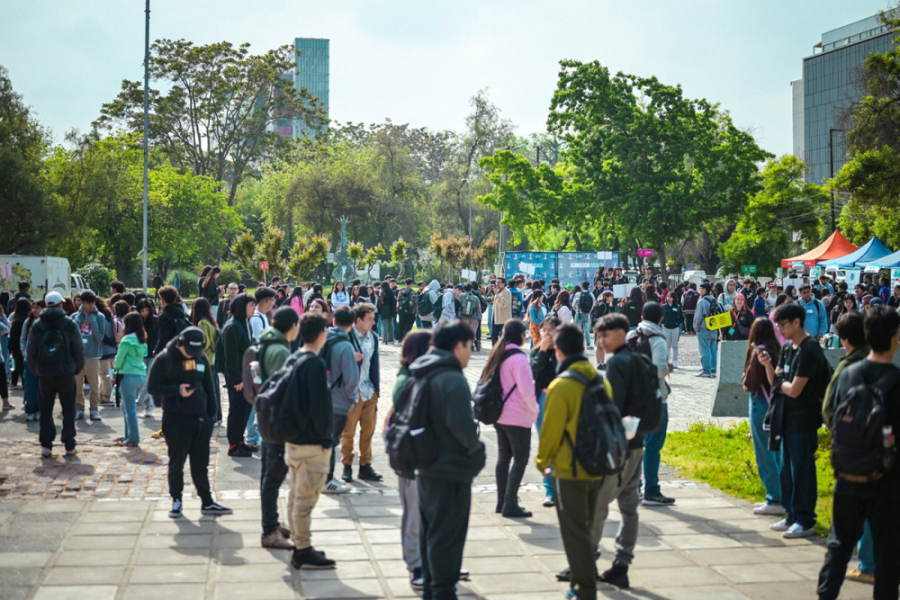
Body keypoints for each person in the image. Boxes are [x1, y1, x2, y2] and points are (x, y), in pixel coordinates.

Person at [816, 305, 900, 599]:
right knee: (888, 556)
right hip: (886, 481)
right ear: (895, 338)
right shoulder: (896, 381)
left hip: (847, 474)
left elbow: (832, 414)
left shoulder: (849, 374)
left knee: (838, 547)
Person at [536, 323, 610, 600]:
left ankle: (583, 589)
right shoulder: (600, 379)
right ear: (583, 349)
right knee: (587, 529)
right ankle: (584, 582)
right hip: (599, 465)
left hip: (569, 469)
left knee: (574, 534)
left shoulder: (561, 385)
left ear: (557, 351)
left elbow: (550, 433)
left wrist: (542, 462)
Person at [412, 320, 484, 600]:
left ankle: (433, 587)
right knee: (448, 535)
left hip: (427, 465)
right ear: (458, 346)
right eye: (470, 345)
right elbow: (462, 426)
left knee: (431, 531)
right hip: (450, 468)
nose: (471, 351)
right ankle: (443, 590)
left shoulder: (426, 371)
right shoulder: (451, 378)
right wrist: (478, 453)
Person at [758, 302, 829, 539]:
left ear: (797, 322)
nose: (780, 329)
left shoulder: (810, 350)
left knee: (802, 470)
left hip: (804, 418)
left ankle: (805, 519)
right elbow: (775, 381)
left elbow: (795, 389)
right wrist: (768, 365)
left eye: (783, 324)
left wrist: (780, 383)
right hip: (785, 417)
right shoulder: (788, 349)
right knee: (786, 468)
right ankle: (791, 515)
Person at [147, 326, 232, 518]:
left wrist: (212, 417)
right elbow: (152, 387)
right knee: (176, 463)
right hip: (175, 420)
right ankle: (176, 500)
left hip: (201, 420)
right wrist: (177, 390)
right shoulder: (165, 359)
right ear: (180, 343)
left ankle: (207, 501)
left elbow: (210, 387)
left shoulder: (199, 357)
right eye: (188, 351)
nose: (191, 356)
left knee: (200, 464)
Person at [253, 307, 302, 550]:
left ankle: (271, 522)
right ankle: (269, 531)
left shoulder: (267, 342)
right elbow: (283, 390)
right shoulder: (281, 350)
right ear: (292, 326)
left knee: (267, 474)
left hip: (264, 417)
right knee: (272, 477)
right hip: (276, 421)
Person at [480, 319, 537, 518]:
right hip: (517, 416)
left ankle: (501, 501)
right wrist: (535, 410)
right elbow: (527, 390)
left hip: (499, 414)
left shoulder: (499, 353)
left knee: (504, 458)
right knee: (520, 459)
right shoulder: (518, 358)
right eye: (525, 333)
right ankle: (510, 503)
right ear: (520, 335)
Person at [392, 329, 433, 590]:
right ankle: (415, 565)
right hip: (411, 461)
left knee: (427, 516)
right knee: (414, 517)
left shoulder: (418, 377)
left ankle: (431, 563)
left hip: (424, 460)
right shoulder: (407, 380)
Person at [627, 302, 674, 507]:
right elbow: (660, 369)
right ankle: (652, 490)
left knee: (634, 444)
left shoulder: (631, 336)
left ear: (642, 316)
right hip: (655, 399)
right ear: (661, 318)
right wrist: (668, 369)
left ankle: (633, 487)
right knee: (653, 446)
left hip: (631, 399)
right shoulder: (658, 339)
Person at [26, 292, 84, 457]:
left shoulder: (37, 325)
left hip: (44, 374)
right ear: (61, 304)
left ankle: (46, 445)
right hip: (66, 372)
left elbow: (31, 353)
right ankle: (69, 444)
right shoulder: (69, 324)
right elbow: (78, 350)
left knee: (45, 409)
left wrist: (36, 370)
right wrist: (77, 368)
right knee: (68, 409)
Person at [741, 317, 783, 516]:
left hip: (760, 403)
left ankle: (774, 498)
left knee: (764, 454)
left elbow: (751, 383)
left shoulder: (759, 351)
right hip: (775, 403)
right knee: (776, 451)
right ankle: (781, 495)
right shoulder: (776, 348)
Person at [340, 303, 382, 483]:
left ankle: (365, 465)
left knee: (368, 431)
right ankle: (347, 465)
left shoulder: (373, 337)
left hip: (369, 390)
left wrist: (377, 389)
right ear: (359, 320)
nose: (373, 322)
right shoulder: (346, 337)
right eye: (370, 319)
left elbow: (375, 364)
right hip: (352, 391)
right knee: (348, 432)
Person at [321, 306, 359, 495]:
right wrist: (351, 398)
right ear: (352, 324)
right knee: (330, 443)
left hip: (321, 398)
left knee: (324, 441)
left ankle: (323, 477)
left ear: (333, 321)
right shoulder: (345, 346)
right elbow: (351, 379)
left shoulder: (323, 338)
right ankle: (326, 480)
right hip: (338, 402)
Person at [221, 293, 257, 457]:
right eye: (251, 305)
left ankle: (240, 441)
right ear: (243, 307)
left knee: (245, 409)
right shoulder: (232, 327)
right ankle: (233, 445)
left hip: (246, 376)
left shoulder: (244, 323)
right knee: (237, 410)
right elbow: (231, 357)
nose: (254, 308)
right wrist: (237, 379)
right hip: (237, 378)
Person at [532, 315, 562, 507]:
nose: (548, 334)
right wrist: (542, 351)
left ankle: (562, 486)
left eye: (552, 330)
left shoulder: (563, 352)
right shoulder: (535, 352)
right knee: (546, 444)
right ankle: (549, 490)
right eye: (545, 330)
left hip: (560, 400)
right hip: (542, 401)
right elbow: (532, 374)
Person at [70, 291, 106, 421]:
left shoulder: (100, 317)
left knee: (94, 385)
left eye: (93, 303)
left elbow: (99, 337)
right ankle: (79, 409)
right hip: (77, 356)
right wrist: (78, 319)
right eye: (88, 303)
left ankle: (94, 410)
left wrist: (92, 320)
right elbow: (71, 336)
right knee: (77, 385)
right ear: (82, 302)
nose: (91, 305)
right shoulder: (74, 316)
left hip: (93, 355)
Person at [114, 312, 148, 447]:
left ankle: (133, 438)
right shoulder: (142, 338)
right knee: (127, 407)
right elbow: (144, 354)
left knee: (129, 410)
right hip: (141, 375)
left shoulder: (126, 340)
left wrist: (116, 369)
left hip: (128, 376)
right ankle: (128, 434)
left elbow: (119, 359)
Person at [20, 299, 45, 419]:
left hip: (43, 360)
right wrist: (24, 351)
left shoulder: (47, 323)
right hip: (29, 359)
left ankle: (40, 410)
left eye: (37, 307)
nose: (35, 310)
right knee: (30, 386)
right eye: (33, 307)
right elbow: (23, 339)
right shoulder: (28, 322)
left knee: (42, 387)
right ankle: (30, 410)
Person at [154, 286, 190, 356]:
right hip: (184, 350)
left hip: (170, 353)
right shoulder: (184, 314)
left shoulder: (164, 317)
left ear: (162, 299)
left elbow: (163, 337)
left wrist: (157, 352)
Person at [693, 282, 719, 378]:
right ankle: (713, 370)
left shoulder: (702, 301)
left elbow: (698, 317)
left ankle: (706, 371)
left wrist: (696, 328)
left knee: (704, 350)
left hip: (704, 329)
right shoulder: (714, 300)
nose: (700, 290)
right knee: (713, 350)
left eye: (701, 288)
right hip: (714, 328)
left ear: (704, 289)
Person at [590, 291, 615, 369]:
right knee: (598, 346)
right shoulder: (602, 305)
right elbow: (597, 316)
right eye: (611, 296)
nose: (612, 298)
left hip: (603, 327)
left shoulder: (606, 305)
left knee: (602, 346)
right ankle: (598, 363)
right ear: (606, 297)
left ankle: (602, 362)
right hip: (600, 327)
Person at [457, 283, 482, 351]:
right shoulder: (476, 297)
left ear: (464, 289)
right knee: (472, 332)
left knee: (464, 332)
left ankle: (467, 346)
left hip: (463, 317)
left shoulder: (460, 295)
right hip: (474, 317)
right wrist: (480, 317)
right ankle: (474, 343)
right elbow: (479, 308)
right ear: (471, 289)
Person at [662, 292, 683, 368]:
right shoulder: (664, 307)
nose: (668, 298)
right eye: (667, 297)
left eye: (670, 297)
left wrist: (677, 322)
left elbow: (681, 318)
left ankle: (675, 361)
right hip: (666, 327)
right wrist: (663, 323)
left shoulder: (678, 307)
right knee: (667, 345)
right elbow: (661, 317)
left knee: (675, 345)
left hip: (675, 328)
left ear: (673, 298)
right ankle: (667, 361)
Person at [573, 282, 594, 349]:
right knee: (586, 330)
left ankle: (577, 344)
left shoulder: (578, 294)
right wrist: (589, 311)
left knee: (577, 330)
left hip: (579, 314)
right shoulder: (591, 294)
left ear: (582, 286)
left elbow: (574, 305)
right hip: (587, 314)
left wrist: (576, 310)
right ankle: (588, 344)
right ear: (588, 286)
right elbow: (593, 304)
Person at [492, 278, 511, 344]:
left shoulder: (507, 292)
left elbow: (502, 305)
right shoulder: (498, 291)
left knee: (504, 338)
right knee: (494, 336)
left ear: (504, 283)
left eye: (499, 282)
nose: (497, 284)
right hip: (496, 318)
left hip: (503, 320)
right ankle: (495, 352)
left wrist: (497, 294)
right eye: (496, 282)